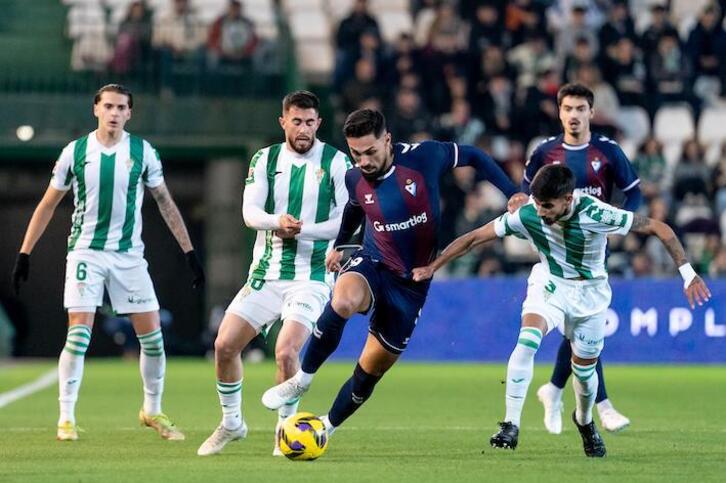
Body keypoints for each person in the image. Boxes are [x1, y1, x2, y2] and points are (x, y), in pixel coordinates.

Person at [260, 108, 527, 443]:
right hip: (373, 261)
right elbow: (355, 207)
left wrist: (512, 191)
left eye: (371, 152)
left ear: (388, 140)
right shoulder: (354, 177)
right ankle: (302, 378)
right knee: (343, 299)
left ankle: (325, 428)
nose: (364, 161)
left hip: (412, 283)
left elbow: (473, 155)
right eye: (356, 154)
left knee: (370, 371)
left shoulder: (424, 157)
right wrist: (344, 244)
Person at [412, 164, 711, 457]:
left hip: (591, 296)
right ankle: (511, 424)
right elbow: (475, 238)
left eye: (548, 206)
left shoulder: (595, 213)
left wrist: (687, 273)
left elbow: (658, 227)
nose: (541, 212)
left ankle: (584, 421)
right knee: (527, 341)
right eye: (538, 204)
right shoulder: (528, 213)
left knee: (584, 373)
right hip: (550, 286)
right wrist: (432, 267)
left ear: (568, 199)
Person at [11, 84, 205, 442]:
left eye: (122, 108)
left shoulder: (143, 152)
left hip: (129, 255)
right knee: (79, 333)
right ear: (96, 110)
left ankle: (152, 410)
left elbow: (165, 203)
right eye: (109, 106)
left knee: (154, 339)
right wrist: (25, 253)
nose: (115, 113)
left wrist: (189, 252)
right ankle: (66, 418)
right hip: (86, 252)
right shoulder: (76, 152)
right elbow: (48, 204)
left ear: (130, 113)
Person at [196, 91, 352, 457]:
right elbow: (250, 213)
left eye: (310, 122)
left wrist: (301, 230)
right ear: (283, 121)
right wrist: (275, 222)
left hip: (311, 276)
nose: (303, 129)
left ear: (319, 123)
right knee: (224, 345)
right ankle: (232, 423)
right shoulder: (264, 160)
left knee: (286, 351)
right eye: (296, 121)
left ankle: (286, 434)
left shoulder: (336, 162)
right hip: (266, 273)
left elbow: (347, 221)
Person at [522, 83, 642, 434]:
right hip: (556, 248)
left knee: (579, 326)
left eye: (580, 109)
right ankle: (601, 406)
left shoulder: (607, 150)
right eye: (567, 109)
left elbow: (633, 194)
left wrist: (620, 226)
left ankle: (555, 390)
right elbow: (525, 193)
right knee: (583, 325)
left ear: (591, 112)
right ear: (559, 112)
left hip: (593, 247)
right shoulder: (544, 151)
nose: (573, 116)